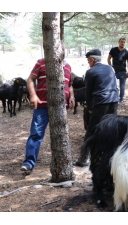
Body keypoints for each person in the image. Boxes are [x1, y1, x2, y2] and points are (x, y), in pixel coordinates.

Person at [20, 43, 75, 174]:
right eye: (57, 48)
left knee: (60, 135)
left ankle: (62, 163)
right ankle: (28, 163)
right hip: (42, 106)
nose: (61, 51)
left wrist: (72, 96)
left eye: (62, 49)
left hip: (61, 108)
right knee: (36, 134)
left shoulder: (67, 66)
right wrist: (33, 95)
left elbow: (70, 84)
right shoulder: (41, 62)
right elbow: (30, 80)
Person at [74, 49, 119, 167]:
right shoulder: (110, 68)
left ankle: (84, 158)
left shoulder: (90, 71)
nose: (88, 62)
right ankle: (111, 156)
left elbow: (88, 93)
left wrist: (89, 107)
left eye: (88, 60)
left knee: (91, 130)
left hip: (101, 103)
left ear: (92, 59)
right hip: (114, 100)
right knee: (111, 128)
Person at [107, 38, 128, 104]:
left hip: (123, 72)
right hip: (114, 72)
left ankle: (121, 99)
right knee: (113, 86)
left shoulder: (126, 51)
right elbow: (108, 58)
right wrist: (111, 68)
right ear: (118, 42)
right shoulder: (113, 50)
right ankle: (114, 98)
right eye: (121, 42)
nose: (123, 43)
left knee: (122, 87)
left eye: (124, 42)